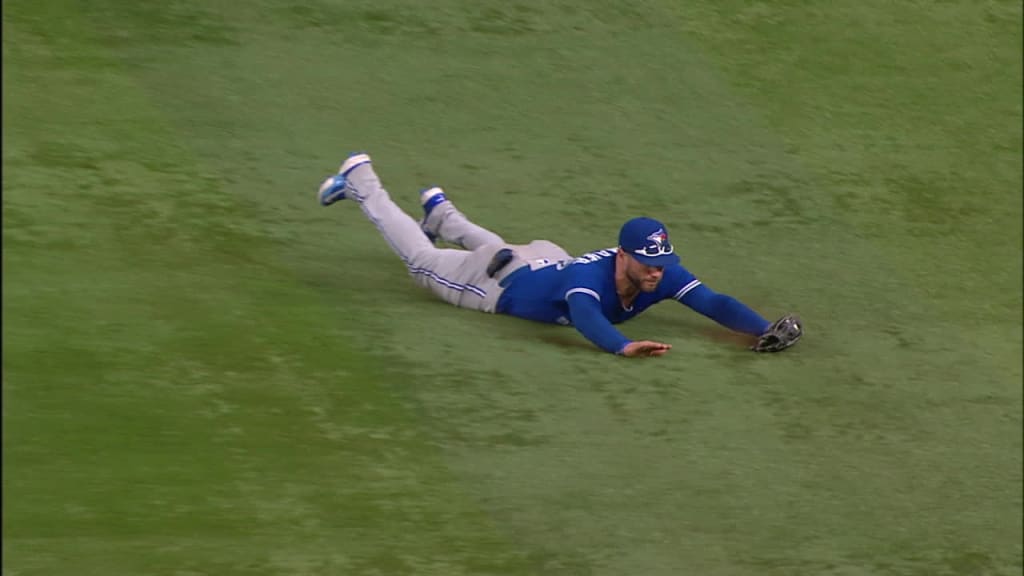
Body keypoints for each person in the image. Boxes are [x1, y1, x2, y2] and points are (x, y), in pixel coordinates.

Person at [317, 152, 802, 357]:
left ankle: (446, 218)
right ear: (623, 256)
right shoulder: (589, 280)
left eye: (663, 263)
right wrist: (621, 346)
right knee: (422, 262)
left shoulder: (659, 272)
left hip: (537, 260)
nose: (658, 272)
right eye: (649, 264)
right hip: (492, 283)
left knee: (501, 247)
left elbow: (713, 302)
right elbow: (586, 315)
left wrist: (764, 329)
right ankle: (362, 181)